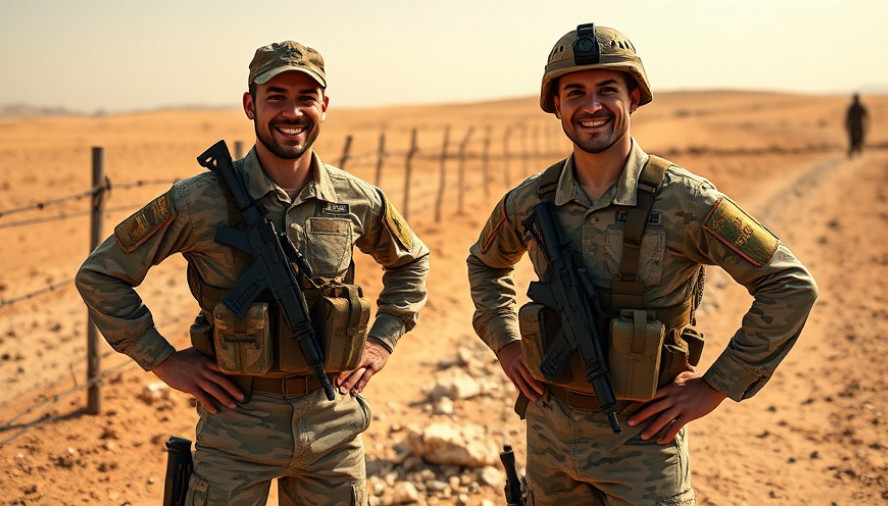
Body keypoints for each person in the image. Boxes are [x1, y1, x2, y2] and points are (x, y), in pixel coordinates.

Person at [467, 24, 817, 505]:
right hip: (549, 437)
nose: (591, 107)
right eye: (575, 93)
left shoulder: (684, 199)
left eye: (607, 90)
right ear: (557, 106)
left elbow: (789, 284)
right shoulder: (529, 201)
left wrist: (716, 386)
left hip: (644, 445)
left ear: (633, 97)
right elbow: (484, 265)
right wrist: (505, 342)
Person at [76, 40, 429, 505]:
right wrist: (161, 359)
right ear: (250, 105)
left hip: (332, 425)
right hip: (236, 423)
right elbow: (101, 274)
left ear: (324, 105)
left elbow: (411, 262)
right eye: (276, 96)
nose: (292, 111)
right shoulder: (198, 199)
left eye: (306, 98)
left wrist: (381, 340)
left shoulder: (357, 198)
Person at [845, 93, 869, 157]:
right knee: (853, 140)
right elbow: (848, 118)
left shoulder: (860, 107)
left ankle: (857, 150)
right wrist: (847, 125)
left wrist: (866, 125)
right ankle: (853, 151)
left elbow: (866, 116)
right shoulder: (852, 108)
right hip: (853, 126)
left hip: (858, 126)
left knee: (859, 139)